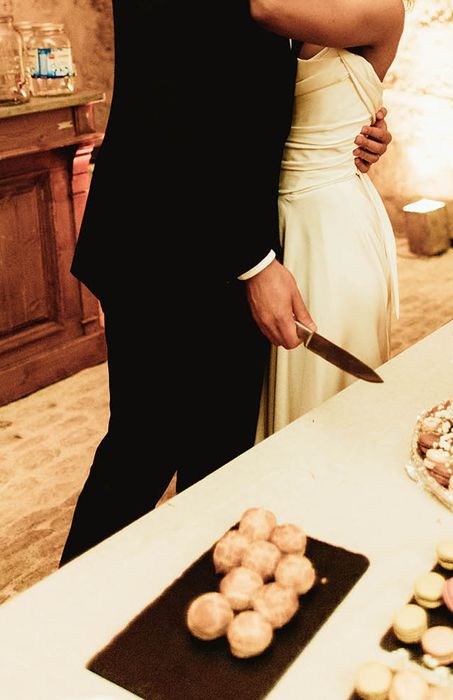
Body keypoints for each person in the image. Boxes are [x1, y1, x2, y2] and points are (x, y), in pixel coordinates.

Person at [59, 2, 392, 566]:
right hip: (165, 243)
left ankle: (195, 603)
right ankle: (52, 630)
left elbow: (246, 93)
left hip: (220, 234)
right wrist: (255, 263)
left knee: (216, 457)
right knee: (144, 449)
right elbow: (176, 104)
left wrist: (350, 125)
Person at [250, 0, 408, 437]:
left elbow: (263, 9)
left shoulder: (382, 9)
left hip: (331, 230)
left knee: (329, 404)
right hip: (280, 220)